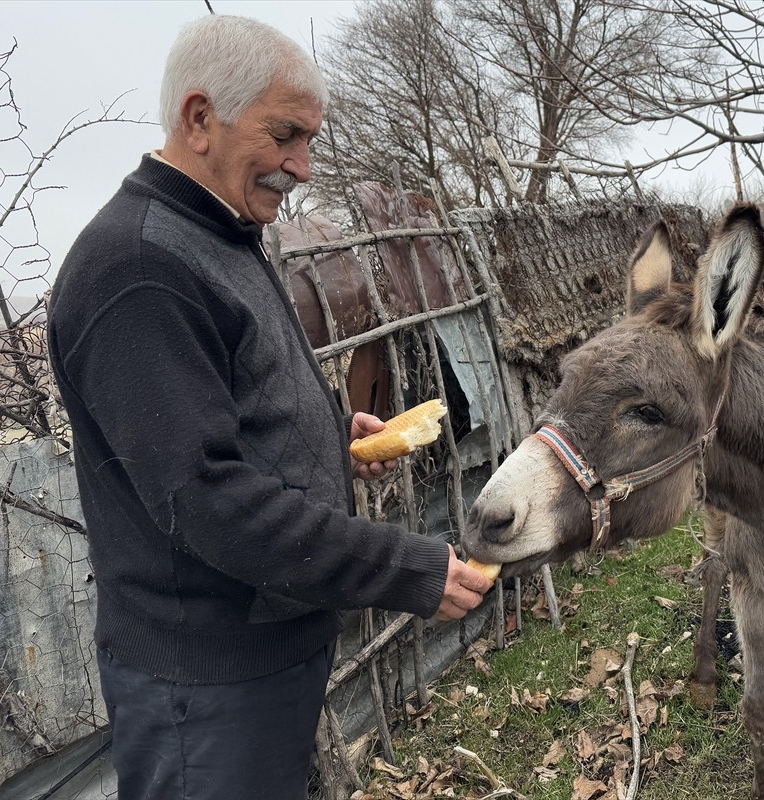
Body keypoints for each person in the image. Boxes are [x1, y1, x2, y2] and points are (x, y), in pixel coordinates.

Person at [46, 15, 493, 800]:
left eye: (310, 140)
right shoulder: (139, 268)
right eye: (287, 135)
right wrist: (404, 567)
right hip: (205, 692)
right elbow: (209, 498)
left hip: (260, 657)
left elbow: (227, 411)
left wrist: (326, 435)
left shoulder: (218, 235)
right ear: (198, 118)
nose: (305, 167)